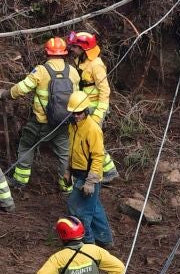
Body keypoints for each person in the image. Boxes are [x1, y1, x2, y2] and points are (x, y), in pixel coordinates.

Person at [10, 37, 79, 191]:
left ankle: (20, 181)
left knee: (26, 146)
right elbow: (77, 96)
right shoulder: (73, 71)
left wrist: (7, 94)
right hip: (64, 122)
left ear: (47, 53)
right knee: (64, 155)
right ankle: (67, 188)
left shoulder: (41, 71)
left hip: (41, 122)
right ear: (64, 54)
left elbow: (21, 88)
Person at [64, 90, 113, 248]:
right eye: (74, 113)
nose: (76, 116)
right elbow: (71, 150)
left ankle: (88, 243)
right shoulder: (74, 126)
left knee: (78, 208)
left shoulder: (92, 129)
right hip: (78, 173)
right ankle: (105, 240)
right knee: (95, 209)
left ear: (86, 111)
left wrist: (90, 182)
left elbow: (98, 156)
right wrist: (68, 171)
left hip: (88, 176)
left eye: (79, 113)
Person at [68, 32, 119, 182]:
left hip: (94, 109)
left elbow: (105, 90)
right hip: (83, 107)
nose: (72, 49)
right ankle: (108, 170)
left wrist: (99, 113)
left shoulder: (96, 65)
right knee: (87, 141)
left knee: (93, 142)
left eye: (75, 47)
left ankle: (109, 172)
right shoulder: (79, 60)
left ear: (83, 49)